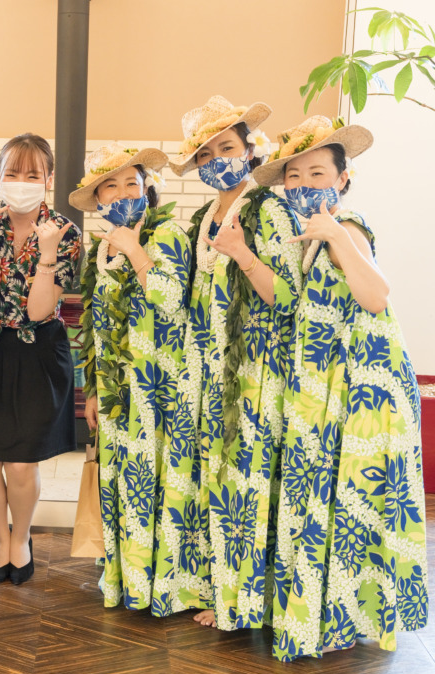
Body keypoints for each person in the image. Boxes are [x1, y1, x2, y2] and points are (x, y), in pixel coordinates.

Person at [252, 116, 428, 661]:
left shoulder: (345, 227)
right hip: (330, 385)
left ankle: (333, 620)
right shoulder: (312, 234)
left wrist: (335, 238)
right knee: (333, 502)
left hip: (363, 392)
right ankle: (327, 617)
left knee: (353, 502)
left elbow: (376, 295)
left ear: (343, 179)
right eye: (297, 176)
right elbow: (294, 302)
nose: (307, 184)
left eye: (319, 173)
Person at [168, 96, 302, 630]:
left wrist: (243, 253)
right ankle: (224, 592)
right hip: (208, 367)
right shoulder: (204, 216)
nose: (216, 160)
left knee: (247, 482)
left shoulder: (267, 209)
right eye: (205, 155)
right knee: (217, 482)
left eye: (226, 148)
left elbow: (286, 295)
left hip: (254, 370)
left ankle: (247, 603)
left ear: (249, 150)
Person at [71, 143, 208, 617]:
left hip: (164, 384)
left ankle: (171, 587)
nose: (124, 192)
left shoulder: (169, 233)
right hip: (118, 388)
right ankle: (131, 580)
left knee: (166, 483)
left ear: (148, 189)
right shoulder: (100, 248)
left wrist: (136, 251)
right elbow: (94, 325)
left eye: (133, 182)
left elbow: (170, 300)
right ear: (98, 199)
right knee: (128, 482)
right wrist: (91, 388)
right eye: (111, 186)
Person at [0, 133, 82, 585]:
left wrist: (47, 253)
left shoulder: (66, 232)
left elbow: (36, 311)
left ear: (48, 179)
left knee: (22, 462)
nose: (22, 182)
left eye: (33, 174)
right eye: (12, 172)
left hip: (39, 353)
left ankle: (23, 536)